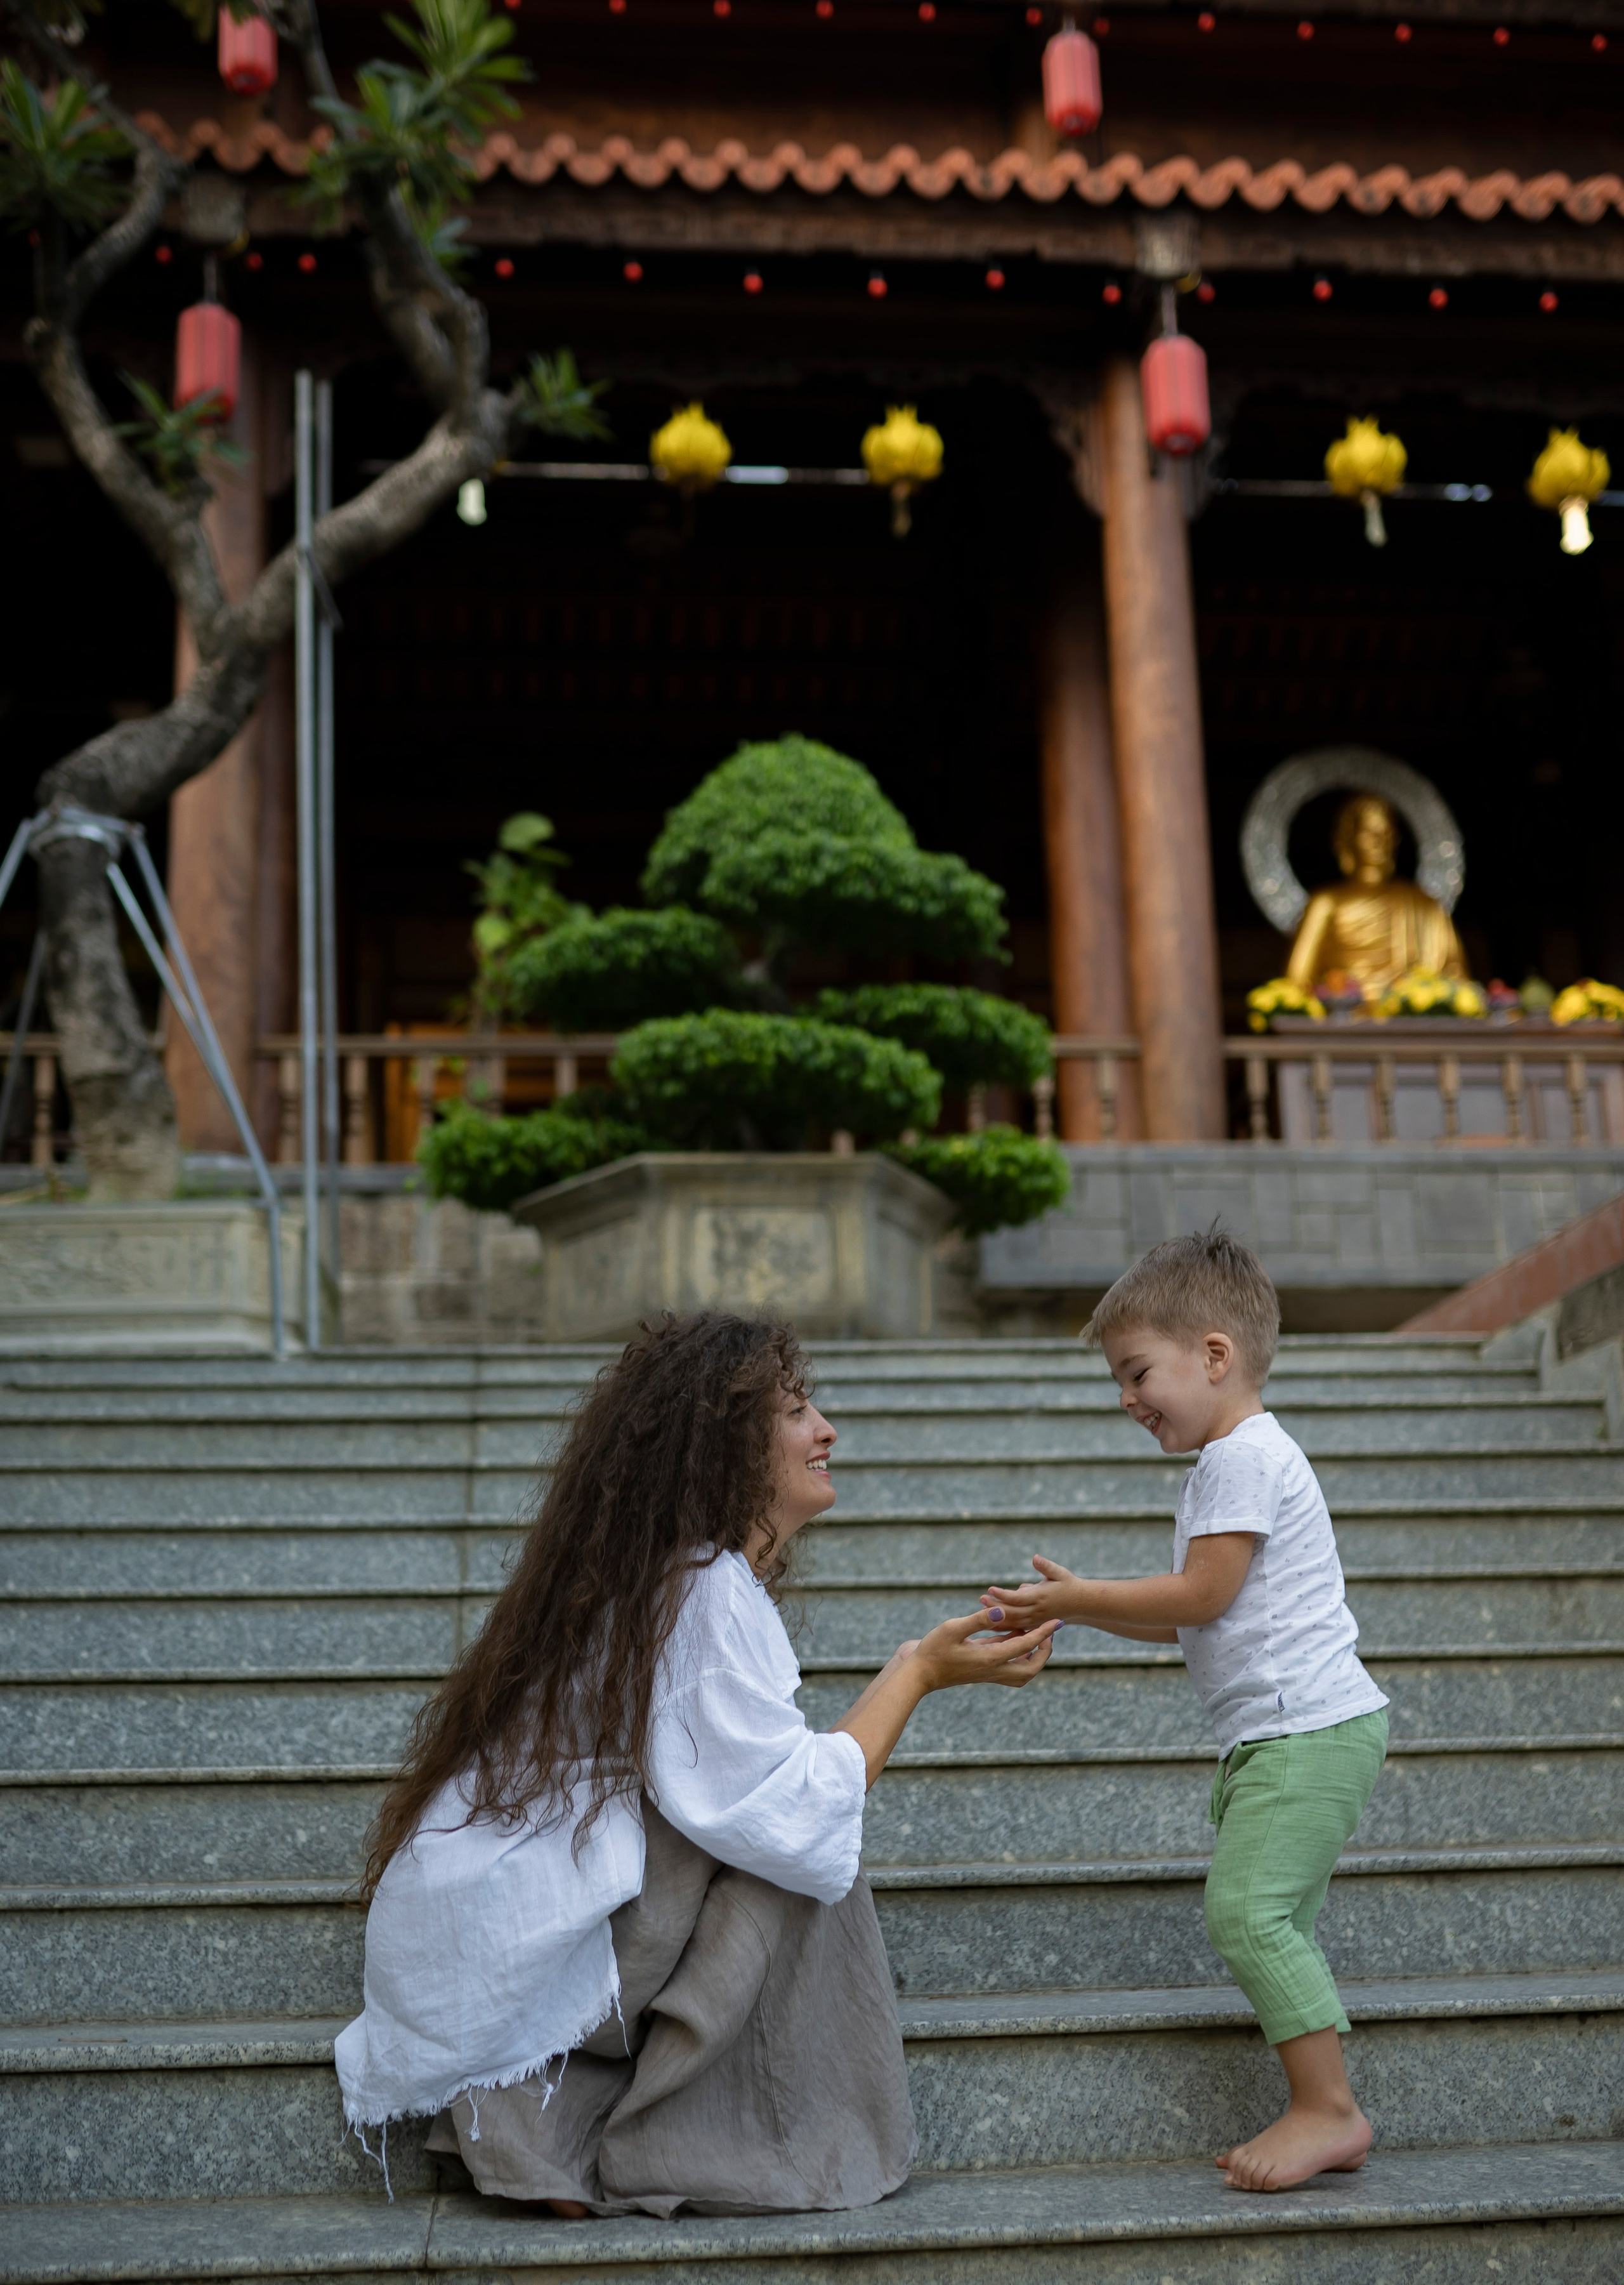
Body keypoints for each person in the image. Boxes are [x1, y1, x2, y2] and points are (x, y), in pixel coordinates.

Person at [336, 1310, 1058, 2216]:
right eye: (796, 1411)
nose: (826, 1429)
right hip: (565, 1940)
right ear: (725, 1448)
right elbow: (789, 1810)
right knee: (805, 1862)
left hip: (524, 1930)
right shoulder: (703, 1588)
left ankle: (546, 2123)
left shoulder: (676, 1581)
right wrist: (917, 1669)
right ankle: (649, 2140)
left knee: (790, 1831)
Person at [982, 1229, 1389, 2194]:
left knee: (1247, 1915)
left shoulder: (1243, 1457)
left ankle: (1330, 2109)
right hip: (1291, 1732)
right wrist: (1082, 1606)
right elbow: (1196, 1617)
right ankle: (1323, 2092)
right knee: (1272, 1915)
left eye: (1137, 1372)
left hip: (1303, 1729)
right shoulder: (1233, 1460)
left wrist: (1077, 1599)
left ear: (1215, 1354)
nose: (1127, 1397)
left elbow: (1202, 1595)